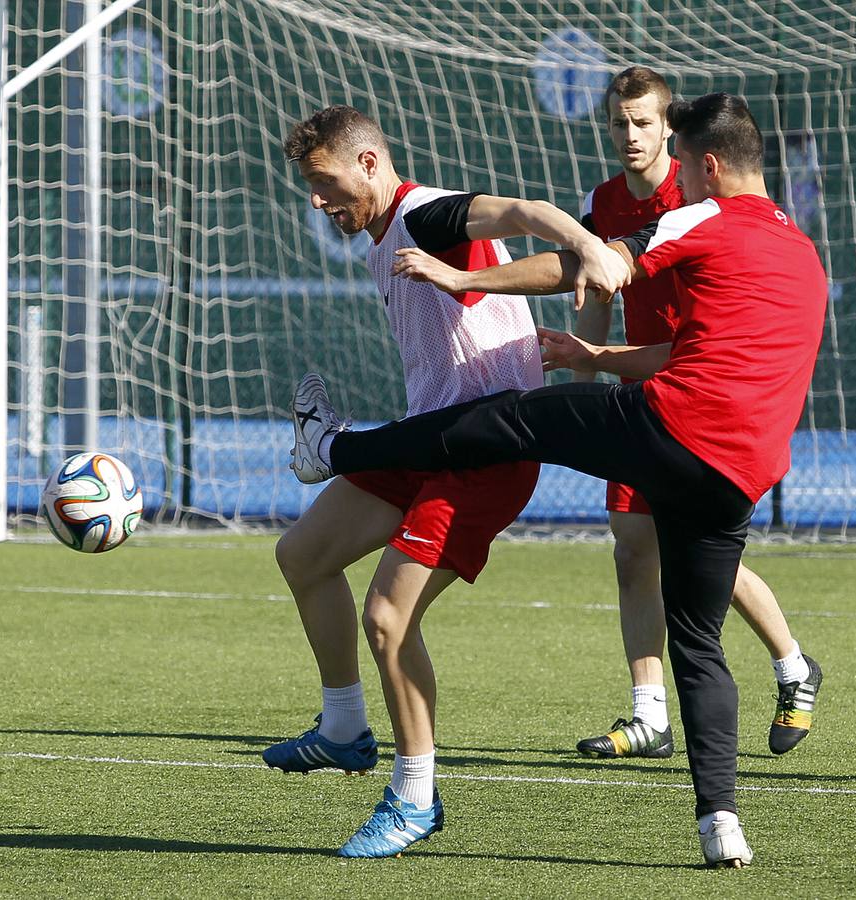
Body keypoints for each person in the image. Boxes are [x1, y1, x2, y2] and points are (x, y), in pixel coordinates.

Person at [288, 93, 828, 868]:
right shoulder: (802, 251)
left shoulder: (698, 217)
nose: (667, 167)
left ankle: (334, 451)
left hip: (670, 429)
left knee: (514, 419)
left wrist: (458, 274)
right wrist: (596, 358)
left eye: (677, 155)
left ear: (708, 166)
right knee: (698, 642)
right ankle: (722, 824)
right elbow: (691, 350)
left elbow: (583, 262)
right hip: (740, 473)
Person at [267, 105, 628, 859]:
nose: (315, 199)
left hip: (485, 453)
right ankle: (342, 728)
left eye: (324, 181)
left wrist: (591, 245)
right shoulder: (384, 237)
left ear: (368, 164)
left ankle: (414, 797)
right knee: (302, 555)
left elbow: (525, 211)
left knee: (389, 620)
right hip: (433, 437)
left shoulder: (425, 216)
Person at [572, 66, 821, 761]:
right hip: (641, 389)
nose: (632, 135)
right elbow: (591, 281)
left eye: (645, 123)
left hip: (698, 395)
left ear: (673, 134)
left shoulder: (706, 194)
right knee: (632, 545)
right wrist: (584, 341)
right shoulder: (604, 203)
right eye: (620, 122)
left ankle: (793, 666)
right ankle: (649, 714)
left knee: (694, 549)